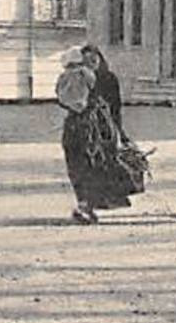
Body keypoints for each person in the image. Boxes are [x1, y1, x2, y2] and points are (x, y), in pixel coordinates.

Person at [56, 44, 133, 224]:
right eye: (87, 60)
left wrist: (119, 132)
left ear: (100, 59)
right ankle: (84, 204)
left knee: (95, 168)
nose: (92, 63)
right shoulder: (76, 77)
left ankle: (87, 205)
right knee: (77, 166)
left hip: (101, 130)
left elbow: (115, 108)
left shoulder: (108, 79)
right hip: (78, 127)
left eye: (94, 59)